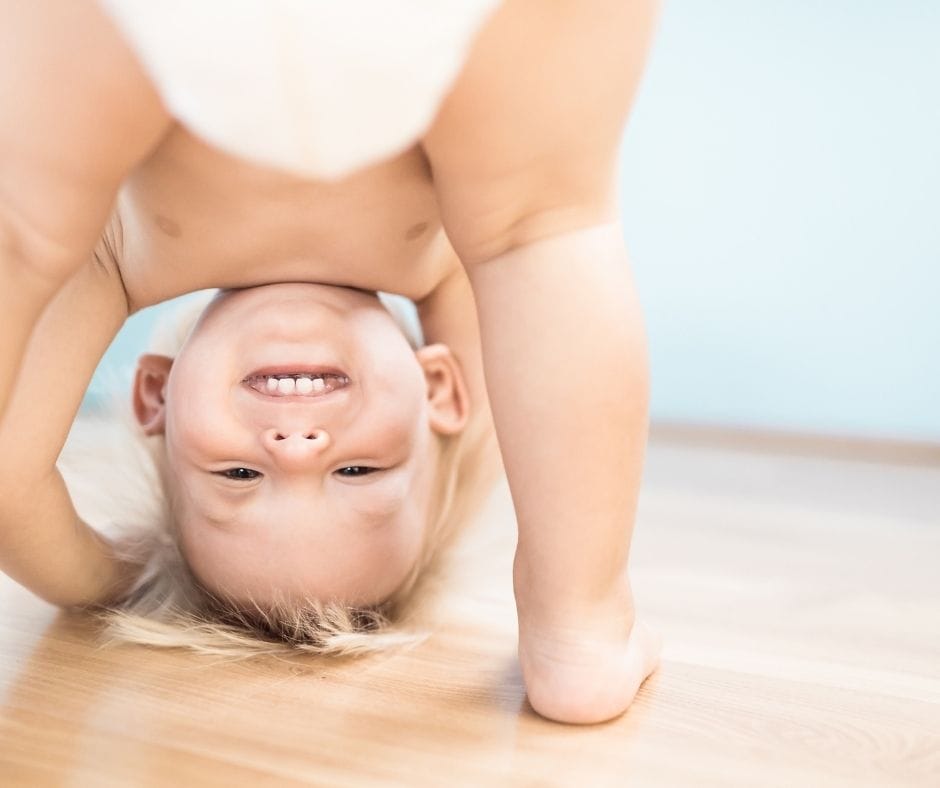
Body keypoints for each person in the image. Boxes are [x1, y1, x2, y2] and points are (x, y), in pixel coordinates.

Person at [0, 0, 662, 724]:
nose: (296, 448)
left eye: (239, 476)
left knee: (23, 232)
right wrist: (573, 585)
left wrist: (109, 575)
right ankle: (578, 635)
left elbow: (8, 480)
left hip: (152, 32)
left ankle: (581, 636)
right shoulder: (460, 271)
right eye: (357, 471)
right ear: (440, 388)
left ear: (156, 394)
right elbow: (523, 391)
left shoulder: (118, 254)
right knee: (539, 227)